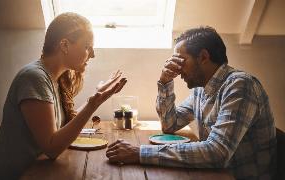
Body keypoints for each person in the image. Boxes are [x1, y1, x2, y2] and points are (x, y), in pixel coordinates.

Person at [106, 26, 277, 180]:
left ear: (203, 57)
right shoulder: (201, 89)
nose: (177, 69)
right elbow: (170, 125)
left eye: (180, 60)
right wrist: (165, 83)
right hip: (213, 174)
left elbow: (217, 153)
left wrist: (139, 153)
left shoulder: (240, 85)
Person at [0, 12, 127, 180]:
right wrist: (92, 105)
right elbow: (52, 148)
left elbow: (63, 130)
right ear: (64, 45)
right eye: (87, 47)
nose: (92, 54)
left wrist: (96, 96)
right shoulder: (34, 78)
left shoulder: (55, 79)